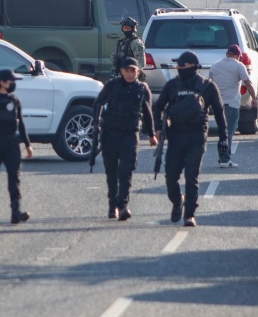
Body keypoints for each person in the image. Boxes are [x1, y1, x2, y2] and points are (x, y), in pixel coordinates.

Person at [153, 51, 228, 227]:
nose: (179, 69)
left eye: (182, 66)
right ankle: (177, 200)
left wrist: (223, 139)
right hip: (175, 135)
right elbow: (158, 108)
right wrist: (157, 128)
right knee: (171, 176)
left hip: (197, 135)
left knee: (191, 175)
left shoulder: (208, 86)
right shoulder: (172, 85)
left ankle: (189, 214)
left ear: (192, 67)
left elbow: (219, 113)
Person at [92, 57, 157, 220]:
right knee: (111, 172)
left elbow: (148, 113)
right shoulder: (112, 86)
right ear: (121, 71)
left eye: (132, 70)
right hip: (110, 133)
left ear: (138, 72)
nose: (129, 74)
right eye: (126, 70)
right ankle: (112, 205)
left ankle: (122, 205)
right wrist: (95, 124)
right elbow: (98, 103)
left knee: (126, 170)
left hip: (130, 133)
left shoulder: (142, 89)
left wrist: (151, 135)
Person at [0, 69, 33, 225]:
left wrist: (28, 144)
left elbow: (21, 123)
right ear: (2, 82)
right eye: (11, 81)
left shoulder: (15, 101)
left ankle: (16, 212)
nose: (13, 84)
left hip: (11, 143)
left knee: (14, 178)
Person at [208, 44, 258, 168]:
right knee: (229, 132)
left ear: (227, 53)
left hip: (218, 104)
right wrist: (254, 99)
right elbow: (248, 83)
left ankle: (222, 157)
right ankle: (225, 158)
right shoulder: (239, 66)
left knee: (221, 131)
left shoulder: (215, 65)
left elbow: (209, 85)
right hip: (232, 103)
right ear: (238, 55)